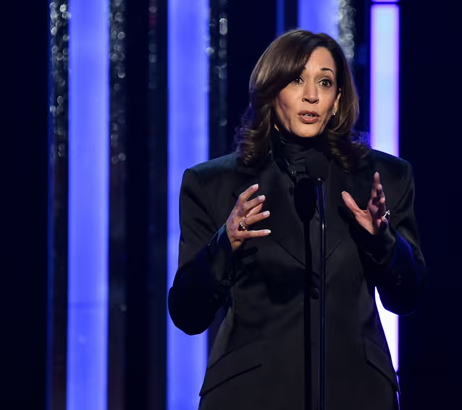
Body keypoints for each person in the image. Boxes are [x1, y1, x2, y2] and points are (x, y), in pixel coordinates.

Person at [168, 29, 426, 410]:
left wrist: (382, 241)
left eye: (325, 82)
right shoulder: (214, 184)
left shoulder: (383, 178)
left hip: (357, 393)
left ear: (337, 100)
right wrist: (226, 242)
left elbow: (408, 297)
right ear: (272, 92)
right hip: (250, 396)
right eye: (296, 80)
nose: (311, 95)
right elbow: (188, 314)